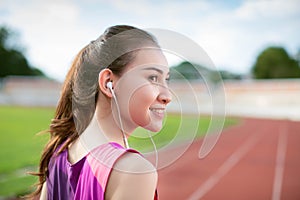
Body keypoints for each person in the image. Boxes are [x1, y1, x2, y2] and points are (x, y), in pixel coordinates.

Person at [28, 25, 171, 200]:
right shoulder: (134, 171)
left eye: (167, 79)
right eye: (153, 78)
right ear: (108, 83)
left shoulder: (59, 152)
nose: (167, 96)